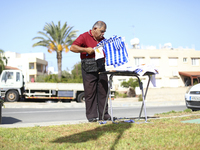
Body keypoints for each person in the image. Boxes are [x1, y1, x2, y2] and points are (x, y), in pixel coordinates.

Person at [70, 21, 111, 122]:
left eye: (104, 32)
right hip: (88, 66)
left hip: (101, 66)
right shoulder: (84, 36)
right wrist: (86, 50)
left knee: (103, 92)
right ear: (95, 29)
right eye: (102, 31)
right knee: (90, 92)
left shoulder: (103, 40)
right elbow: (72, 48)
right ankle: (92, 116)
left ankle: (104, 115)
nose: (103, 34)